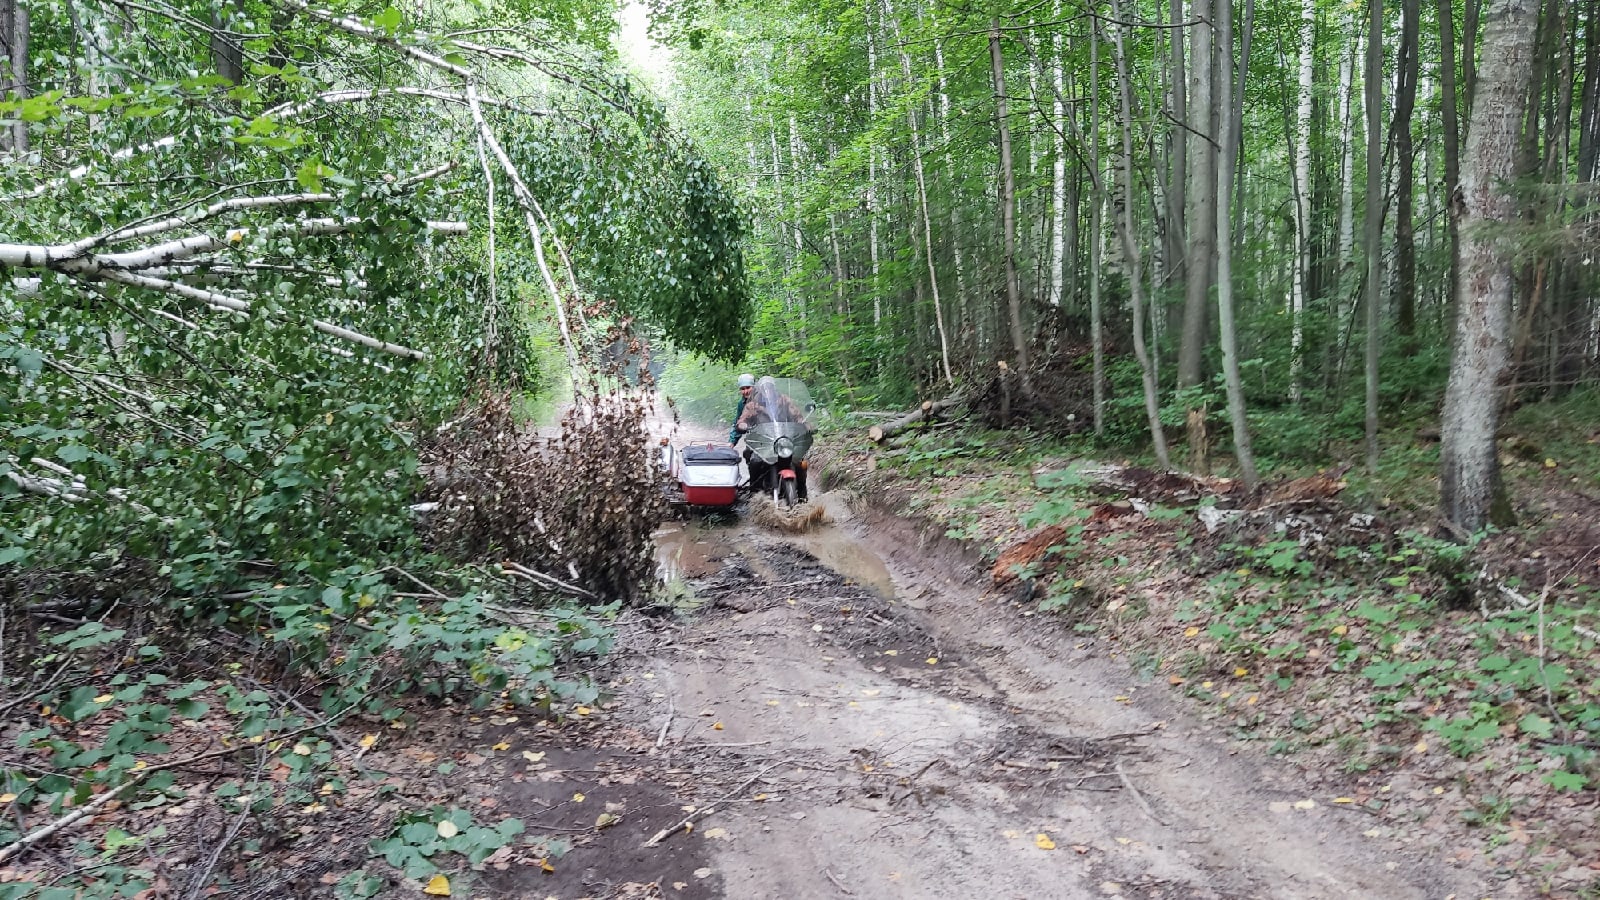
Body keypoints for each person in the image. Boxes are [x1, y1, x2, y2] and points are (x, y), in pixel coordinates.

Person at [734, 376, 813, 501]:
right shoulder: (752, 405)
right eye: (764, 388)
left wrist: (804, 424)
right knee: (755, 461)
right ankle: (755, 492)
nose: (767, 390)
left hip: (783, 439)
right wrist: (743, 424)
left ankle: (803, 493)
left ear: (773, 387)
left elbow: (797, 415)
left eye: (770, 387)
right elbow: (742, 420)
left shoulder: (784, 400)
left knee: (800, 462)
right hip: (763, 441)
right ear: (760, 389)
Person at [727, 373, 756, 443]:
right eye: (742, 389)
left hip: (774, 435)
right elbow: (738, 421)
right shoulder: (742, 404)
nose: (745, 391)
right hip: (755, 438)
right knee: (747, 453)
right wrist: (732, 442)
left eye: (748, 387)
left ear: (754, 387)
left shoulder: (765, 399)